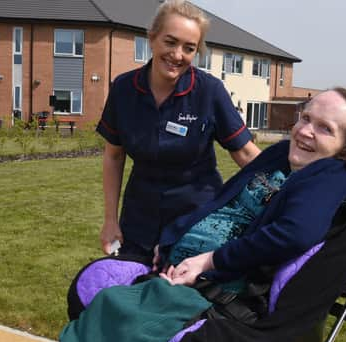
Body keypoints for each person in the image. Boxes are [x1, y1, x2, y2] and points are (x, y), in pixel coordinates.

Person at [0, 87, 346, 342]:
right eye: (304, 117)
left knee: (129, 327)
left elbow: (295, 232)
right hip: (185, 272)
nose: (305, 131)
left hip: (218, 291)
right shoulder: (283, 157)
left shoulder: (328, 177)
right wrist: (172, 242)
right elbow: (222, 200)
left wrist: (207, 263)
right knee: (111, 305)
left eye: (324, 128)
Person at [97, 0, 261, 258]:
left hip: (196, 224)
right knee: (130, 289)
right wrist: (110, 220)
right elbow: (114, 156)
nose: (177, 55)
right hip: (138, 221)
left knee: (181, 295)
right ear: (152, 39)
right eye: (170, 42)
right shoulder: (124, 89)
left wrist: (293, 187)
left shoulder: (209, 91)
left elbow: (246, 154)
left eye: (189, 48)